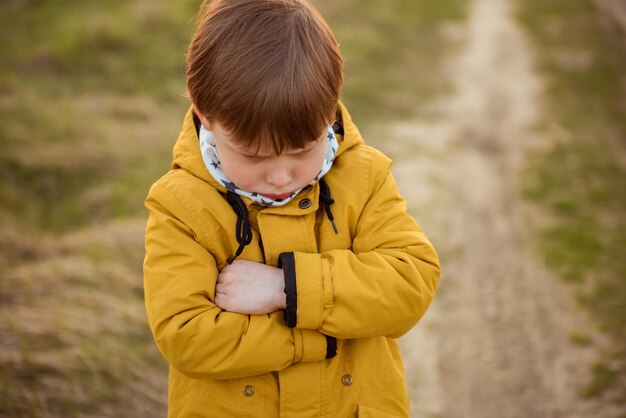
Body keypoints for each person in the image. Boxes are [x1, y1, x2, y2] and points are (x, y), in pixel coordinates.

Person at [143, 0, 440, 417]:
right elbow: (186, 335)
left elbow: (411, 282)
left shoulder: (364, 176)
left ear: (329, 110)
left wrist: (287, 287)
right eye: (254, 157)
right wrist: (317, 339)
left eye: (302, 150)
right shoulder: (181, 205)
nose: (281, 178)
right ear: (203, 114)